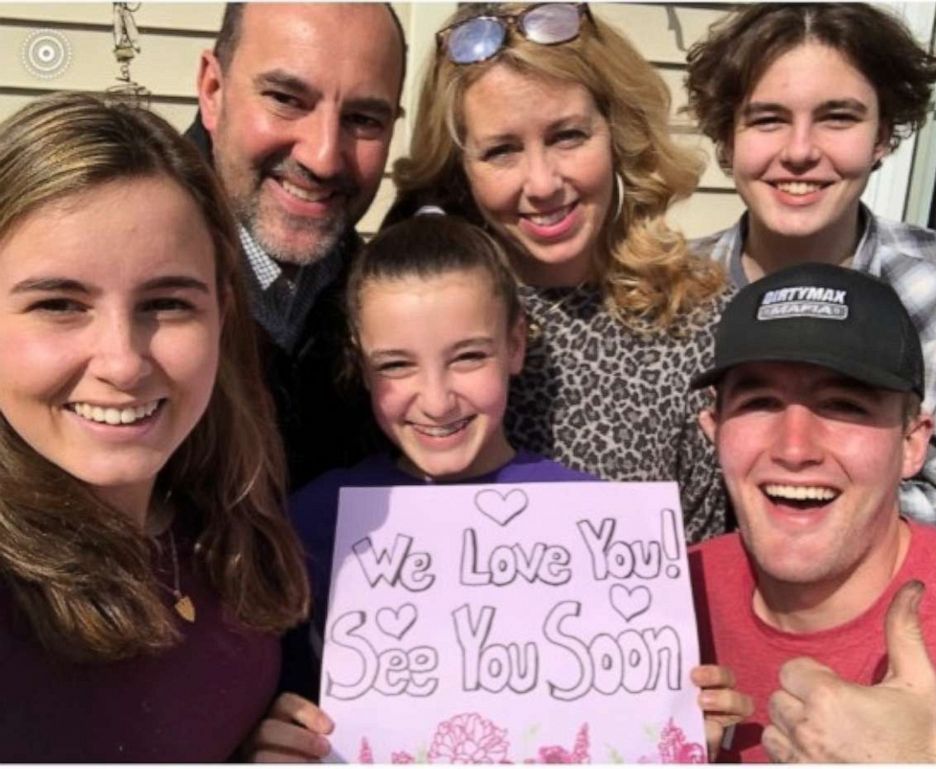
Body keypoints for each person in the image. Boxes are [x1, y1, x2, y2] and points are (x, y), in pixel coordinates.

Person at [245, 214, 752, 762]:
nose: (437, 401)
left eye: (468, 357)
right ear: (362, 366)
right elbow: (278, 700)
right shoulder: (311, 522)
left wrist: (679, 727)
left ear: (515, 344)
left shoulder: (601, 527)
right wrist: (271, 740)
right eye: (396, 365)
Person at [0, 92, 308, 760]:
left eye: (166, 303)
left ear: (222, 314)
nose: (122, 361)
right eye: (59, 303)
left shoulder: (221, 524)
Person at [386, 2, 730, 544]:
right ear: (459, 169)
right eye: (501, 151)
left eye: (567, 136)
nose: (542, 182)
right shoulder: (416, 317)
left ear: (616, 131)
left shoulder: (695, 323)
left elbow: (706, 554)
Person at [685, 3, 936, 541]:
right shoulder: (668, 294)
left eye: (838, 118)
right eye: (768, 119)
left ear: (882, 136)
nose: (800, 152)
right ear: (727, 138)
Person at [690, 262, 936, 762]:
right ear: (713, 429)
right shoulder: (657, 601)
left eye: (845, 406)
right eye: (760, 401)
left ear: (912, 444)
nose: (794, 448)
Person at [188, 3, 407, 488]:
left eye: (364, 119)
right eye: (286, 98)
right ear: (213, 91)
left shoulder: (380, 303)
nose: (325, 156)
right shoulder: (114, 268)